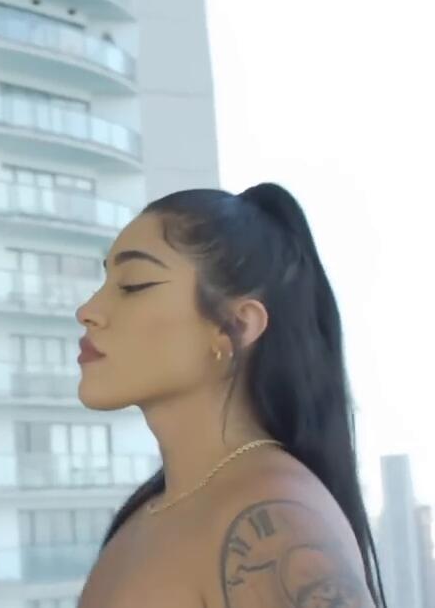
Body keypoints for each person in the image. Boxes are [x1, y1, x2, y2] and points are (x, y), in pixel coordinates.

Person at [74, 184, 386, 608]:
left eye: (133, 284)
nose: (88, 310)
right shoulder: (151, 512)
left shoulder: (276, 520)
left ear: (234, 326)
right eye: (105, 282)